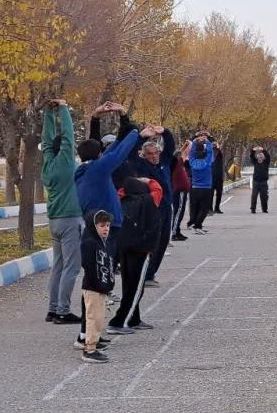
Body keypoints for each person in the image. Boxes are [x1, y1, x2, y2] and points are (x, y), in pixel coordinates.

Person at [75, 103, 154, 344]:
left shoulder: (86, 169)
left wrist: (97, 119)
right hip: (104, 230)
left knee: (97, 279)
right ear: (99, 154)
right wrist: (133, 129)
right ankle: (87, 337)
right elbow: (119, 151)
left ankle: (88, 332)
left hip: (99, 228)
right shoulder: (99, 169)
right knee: (98, 281)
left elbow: (105, 149)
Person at [40, 100, 83, 325]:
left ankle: (53, 308)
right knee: (72, 266)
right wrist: (64, 109)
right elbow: (68, 137)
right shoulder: (66, 163)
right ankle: (63, 311)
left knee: (58, 266)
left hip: (54, 220)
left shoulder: (47, 163)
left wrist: (49, 113)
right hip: (69, 220)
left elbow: (46, 141)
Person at [107, 176, 163, 334]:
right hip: (141, 249)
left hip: (124, 248)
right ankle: (119, 321)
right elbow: (158, 187)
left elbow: (121, 190)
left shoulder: (120, 200)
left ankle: (134, 318)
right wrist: (147, 180)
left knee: (128, 284)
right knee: (136, 288)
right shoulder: (150, 200)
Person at [125, 126, 175, 288]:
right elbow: (131, 153)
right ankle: (145, 274)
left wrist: (164, 131)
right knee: (151, 242)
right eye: (150, 154)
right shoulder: (140, 166)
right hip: (152, 208)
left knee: (163, 241)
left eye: (156, 153)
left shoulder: (165, 162)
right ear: (144, 155)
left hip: (167, 207)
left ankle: (151, 273)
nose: (154, 157)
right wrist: (141, 136)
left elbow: (171, 146)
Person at [76, 210, 114, 363]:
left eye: (108, 225)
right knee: (93, 317)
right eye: (102, 226)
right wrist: (99, 284)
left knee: (99, 318)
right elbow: (90, 267)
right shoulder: (89, 244)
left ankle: (94, 342)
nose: (106, 229)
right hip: (93, 287)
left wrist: (108, 283)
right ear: (93, 226)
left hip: (101, 287)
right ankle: (89, 349)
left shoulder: (103, 243)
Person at [185, 136, 215, 234]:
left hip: (194, 188)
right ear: (204, 153)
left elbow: (191, 153)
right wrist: (207, 141)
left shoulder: (192, 162)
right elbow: (210, 152)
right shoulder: (207, 162)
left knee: (194, 207)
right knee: (204, 208)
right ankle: (197, 225)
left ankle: (194, 224)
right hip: (206, 188)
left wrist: (194, 141)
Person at [170, 152, 191, 241]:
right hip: (179, 191)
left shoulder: (180, 162)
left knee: (180, 212)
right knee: (178, 212)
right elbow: (186, 151)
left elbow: (184, 153)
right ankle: (174, 233)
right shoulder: (175, 164)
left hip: (182, 191)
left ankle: (177, 231)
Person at [250, 146, 272, 213]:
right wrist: (253, 150)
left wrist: (263, 150)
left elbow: (268, 156)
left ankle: (264, 209)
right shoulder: (255, 162)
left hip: (264, 182)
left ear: (263, 158)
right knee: (254, 196)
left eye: (261, 157)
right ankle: (253, 209)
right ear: (257, 158)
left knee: (264, 197)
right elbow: (251, 156)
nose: (260, 158)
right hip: (256, 182)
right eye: (258, 157)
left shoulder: (266, 163)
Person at [211, 141, 226, 214]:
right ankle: (210, 209)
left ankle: (217, 208)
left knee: (219, 194)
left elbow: (218, 149)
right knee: (210, 194)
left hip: (219, 177)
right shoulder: (209, 155)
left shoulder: (219, 154)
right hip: (211, 177)